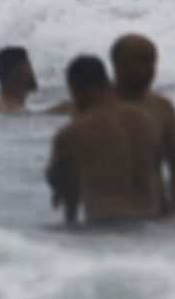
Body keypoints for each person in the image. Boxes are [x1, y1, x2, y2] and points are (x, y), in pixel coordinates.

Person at [46, 55, 163, 225]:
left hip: (106, 228)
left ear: (76, 89)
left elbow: (56, 178)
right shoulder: (145, 120)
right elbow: (158, 172)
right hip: (152, 225)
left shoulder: (74, 131)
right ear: (107, 81)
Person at [111, 33, 175, 218]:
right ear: (120, 64)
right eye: (144, 61)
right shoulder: (95, 105)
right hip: (107, 218)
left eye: (154, 62)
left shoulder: (162, 108)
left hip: (154, 214)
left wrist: (173, 210)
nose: (152, 69)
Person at [0, 46, 38, 113]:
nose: (34, 72)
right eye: (29, 66)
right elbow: (32, 117)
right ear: (22, 71)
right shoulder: (10, 108)